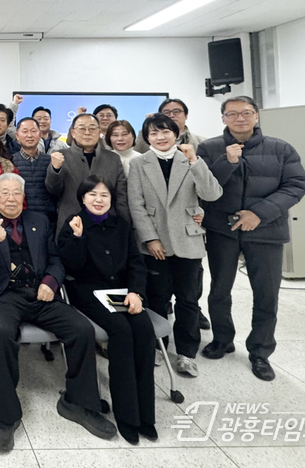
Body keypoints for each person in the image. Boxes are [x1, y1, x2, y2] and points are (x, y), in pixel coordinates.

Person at [0, 173, 115, 452]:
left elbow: (56, 259)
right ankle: (6, 416)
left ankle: (78, 403)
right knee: (0, 334)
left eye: (16, 193)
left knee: (81, 329)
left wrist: (50, 282)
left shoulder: (39, 221)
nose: (10, 198)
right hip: (3, 296)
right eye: (4, 193)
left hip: (40, 293)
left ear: (23, 197)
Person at [197, 96, 305, 381]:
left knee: (266, 294)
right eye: (232, 114)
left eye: (246, 113)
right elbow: (203, 187)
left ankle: (260, 351)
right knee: (219, 289)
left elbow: (296, 185)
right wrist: (227, 161)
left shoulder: (281, 148)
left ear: (256, 116)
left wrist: (259, 213)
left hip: (266, 230)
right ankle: (222, 339)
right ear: (223, 118)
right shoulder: (209, 148)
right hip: (223, 230)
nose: (240, 118)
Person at [58, 175, 155, 445]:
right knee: (122, 332)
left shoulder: (121, 225)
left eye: (104, 195)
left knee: (144, 331)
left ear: (111, 199)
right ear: (82, 198)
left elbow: (136, 263)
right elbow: (71, 266)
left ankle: (146, 416)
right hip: (89, 293)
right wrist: (78, 237)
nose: (98, 200)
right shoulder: (74, 223)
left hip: (124, 293)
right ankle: (127, 417)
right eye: (92, 195)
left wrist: (136, 292)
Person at [128, 114, 223, 379]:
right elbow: (136, 204)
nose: (160, 137)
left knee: (188, 300)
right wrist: (150, 238)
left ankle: (186, 353)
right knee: (156, 298)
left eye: (165, 132)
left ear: (176, 133)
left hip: (187, 239)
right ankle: (158, 346)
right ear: (147, 138)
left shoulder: (190, 159)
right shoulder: (139, 163)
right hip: (155, 241)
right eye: (154, 133)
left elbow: (212, 194)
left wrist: (194, 161)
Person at [46, 113, 129, 238]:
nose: (87, 132)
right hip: (71, 225)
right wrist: (55, 169)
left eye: (92, 128)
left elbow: (121, 197)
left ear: (99, 132)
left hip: (107, 227)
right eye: (82, 128)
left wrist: (125, 227)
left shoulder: (113, 158)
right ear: (73, 132)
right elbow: (53, 190)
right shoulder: (61, 156)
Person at [12, 117, 57, 228]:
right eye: (25, 131)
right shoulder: (10, 161)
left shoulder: (50, 161)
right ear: (17, 136)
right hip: (20, 218)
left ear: (40, 134)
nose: (29, 135)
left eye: (33, 131)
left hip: (48, 218)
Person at [135, 98, 207, 153]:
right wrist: (148, 126)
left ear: (186, 115)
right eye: (166, 112)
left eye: (176, 111)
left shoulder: (202, 142)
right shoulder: (148, 139)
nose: (171, 115)